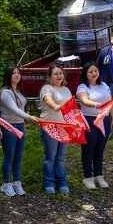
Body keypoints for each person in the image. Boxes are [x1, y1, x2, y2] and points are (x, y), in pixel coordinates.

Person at [0, 67, 38, 197]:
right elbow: (14, 109)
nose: (16, 75)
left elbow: (21, 109)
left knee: (18, 156)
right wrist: (30, 117)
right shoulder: (5, 92)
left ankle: (17, 182)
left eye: (18, 73)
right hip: (9, 126)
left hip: (20, 125)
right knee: (9, 155)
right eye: (13, 73)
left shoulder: (19, 91)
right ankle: (6, 183)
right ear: (8, 75)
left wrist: (26, 118)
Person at [76, 62, 113, 189]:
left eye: (95, 71)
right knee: (89, 148)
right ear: (86, 74)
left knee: (100, 148)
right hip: (89, 120)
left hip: (105, 119)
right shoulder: (82, 87)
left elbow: (110, 103)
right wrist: (97, 105)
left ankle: (99, 175)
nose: (93, 74)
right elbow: (84, 100)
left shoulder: (104, 85)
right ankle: (88, 177)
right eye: (90, 72)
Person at [39, 63, 73, 195]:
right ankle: (49, 183)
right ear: (50, 76)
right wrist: (57, 106)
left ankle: (62, 182)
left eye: (60, 73)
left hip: (65, 127)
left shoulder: (66, 90)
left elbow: (72, 110)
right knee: (51, 157)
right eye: (56, 74)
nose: (59, 76)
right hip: (50, 126)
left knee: (61, 157)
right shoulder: (46, 88)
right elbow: (50, 102)